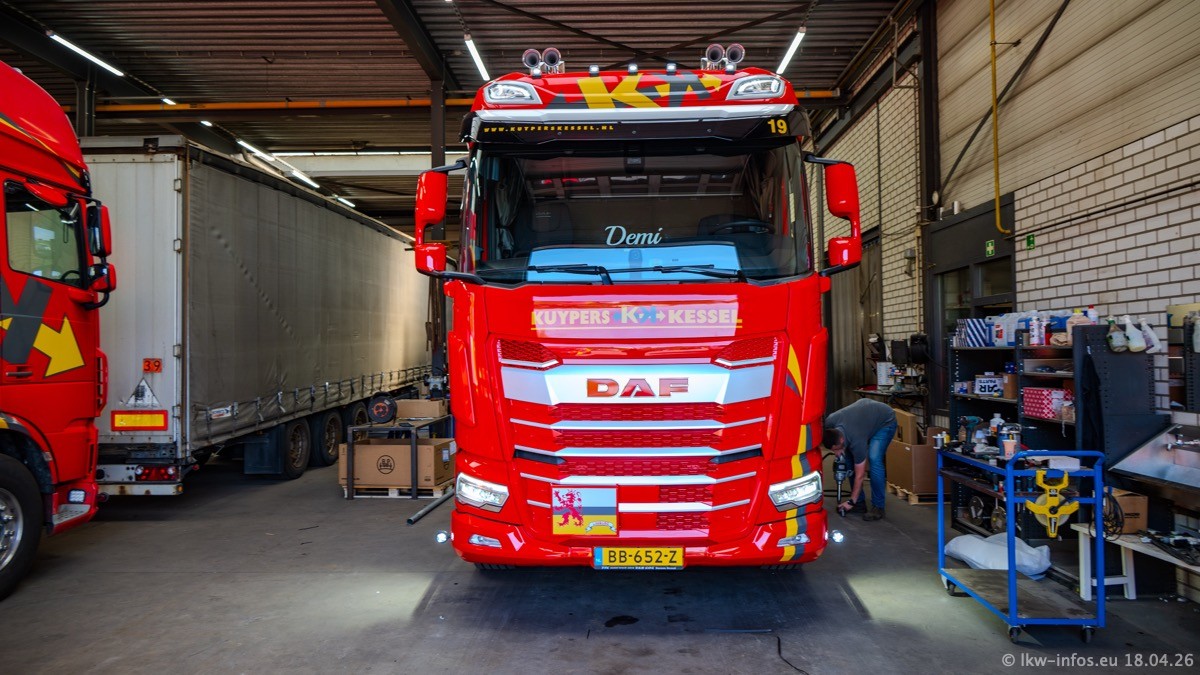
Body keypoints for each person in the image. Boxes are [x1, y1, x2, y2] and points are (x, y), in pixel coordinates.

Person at [822, 398, 898, 521]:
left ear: (841, 440)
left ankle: (878, 507)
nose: (836, 454)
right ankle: (859, 503)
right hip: (864, 415)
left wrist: (851, 501)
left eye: (837, 449)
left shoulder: (857, 440)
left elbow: (860, 475)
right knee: (848, 460)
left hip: (885, 420)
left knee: (874, 459)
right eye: (833, 451)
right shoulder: (830, 421)